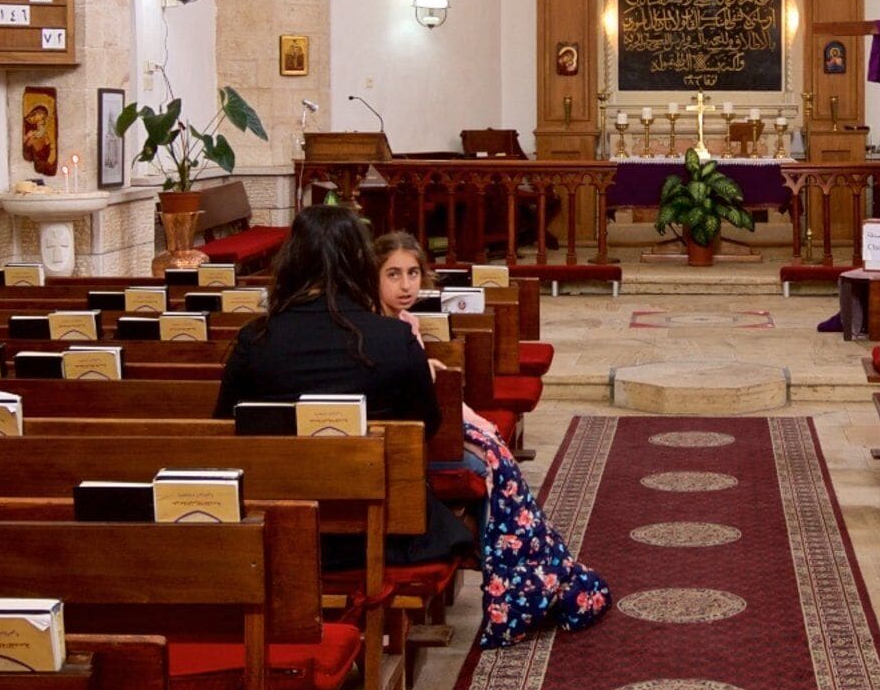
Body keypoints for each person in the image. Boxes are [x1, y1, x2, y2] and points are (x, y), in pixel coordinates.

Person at [375, 229, 610, 645]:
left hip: (433, 430)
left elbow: (442, 397)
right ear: (373, 276)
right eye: (393, 274)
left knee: (499, 460)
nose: (406, 284)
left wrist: (481, 427)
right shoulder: (380, 329)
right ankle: (510, 588)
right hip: (410, 442)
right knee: (491, 469)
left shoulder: (407, 323)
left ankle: (523, 578)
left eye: (412, 273)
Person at [213, 207, 467, 571]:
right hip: (382, 527)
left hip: (279, 526)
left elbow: (225, 424)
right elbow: (426, 424)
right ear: (360, 262)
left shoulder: (255, 339)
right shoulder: (394, 338)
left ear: (291, 261)